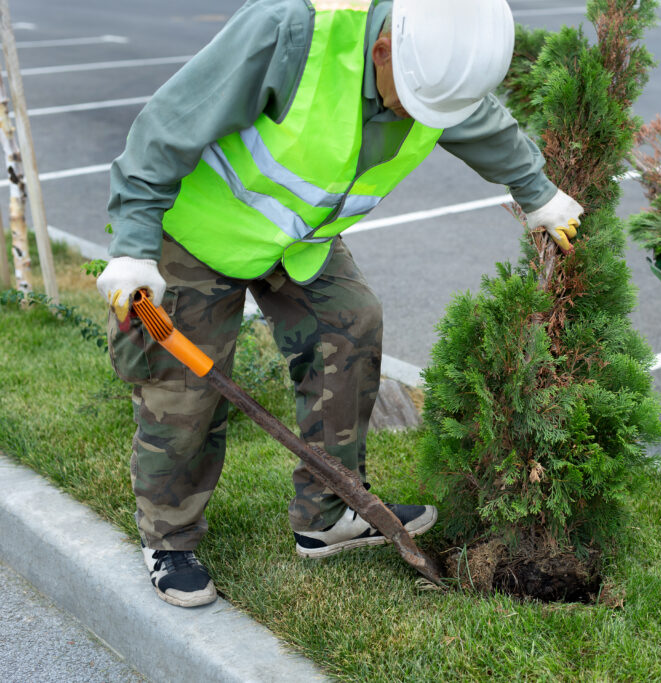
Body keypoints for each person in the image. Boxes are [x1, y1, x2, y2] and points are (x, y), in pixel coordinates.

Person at [96, 0, 583, 608]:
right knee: (183, 393)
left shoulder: (432, 66)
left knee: (350, 322)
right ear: (383, 50)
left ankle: (327, 513)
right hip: (197, 231)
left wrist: (538, 194)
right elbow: (165, 127)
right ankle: (168, 541)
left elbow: (475, 118)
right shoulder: (291, 31)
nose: (415, 118)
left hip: (298, 240)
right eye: (410, 100)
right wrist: (135, 246)